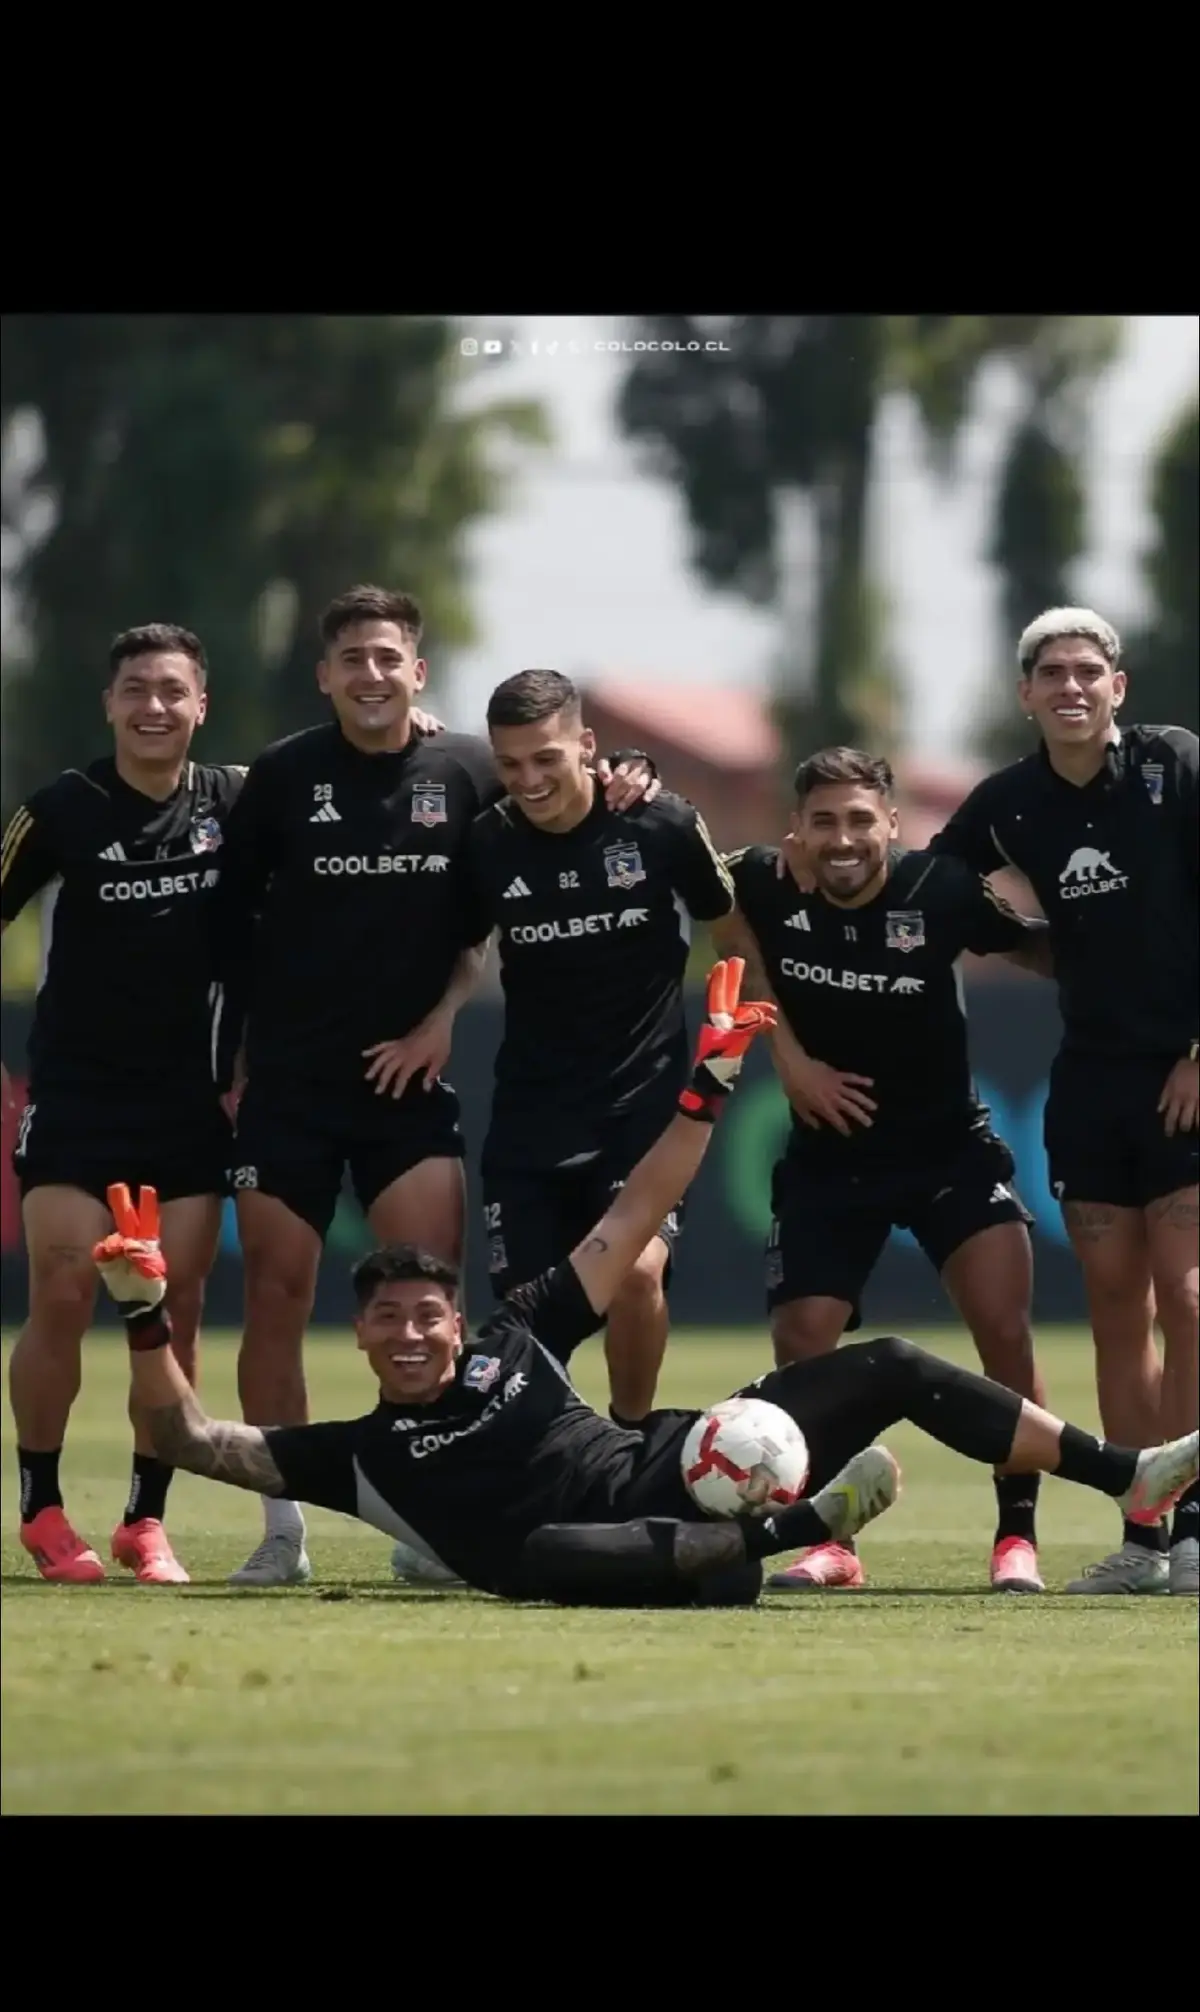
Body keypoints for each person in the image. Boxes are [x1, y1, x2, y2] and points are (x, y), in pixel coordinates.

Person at [90, 962, 1199, 1606]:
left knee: (893, 1364)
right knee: (540, 1561)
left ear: (456, 1316)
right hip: (613, 1552)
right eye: (391, 1321)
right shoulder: (354, 1455)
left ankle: (1128, 1475)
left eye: (429, 1313)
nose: (415, 1334)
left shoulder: (515, 1338)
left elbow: (632, 1212)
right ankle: (799, 1529)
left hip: (684, 1456)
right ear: (366, 1341)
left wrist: (708, 1085)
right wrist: (146, 1315)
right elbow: (189, 1436)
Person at [208, 586, 656, 1588]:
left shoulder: (467, 769)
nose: (371, 673)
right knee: (275, 1296)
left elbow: (552, 820)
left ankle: (439, 1523)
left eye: (389, 657)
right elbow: (230, 932)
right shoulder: (281, 777)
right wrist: (234, 1055)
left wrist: (440, 1021)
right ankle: (281, 1533)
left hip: (409, 1089)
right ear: (325, 675)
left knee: (429, 1304)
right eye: (352, 658)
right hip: (288, 1085)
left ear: (419, 670)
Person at [713, 746, 1056, 1594]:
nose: (842, 839)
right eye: (822, 821)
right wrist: (785, 1055)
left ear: (891, 826)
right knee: (802, 1342)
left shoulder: (937, 890)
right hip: (833, 1160)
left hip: (947, 1148)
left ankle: (1018, 1537)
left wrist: (1140, 946)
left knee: (1003, 1325)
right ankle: (833, 1537)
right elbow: (718, 914)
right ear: (797, 829)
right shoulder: (759, 879)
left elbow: (1041, 951)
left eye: (860, 820)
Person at [930, 608, 1198, 1596]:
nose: (1073, 686)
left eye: (1091, 670)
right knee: (1117, 1315)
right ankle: (1147, 1534)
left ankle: (1199, 1519)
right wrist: (1032, 941)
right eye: (1054, 673)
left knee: (1193, 1297)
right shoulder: (1008, 802)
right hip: (1090, 1078)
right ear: (1027, 693)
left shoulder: (1176, 766)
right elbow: (937, 886)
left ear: (1118, 687)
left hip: (1188, 1072)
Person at [0, 622, 243, 1585]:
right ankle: (42, 1507)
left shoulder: (235, 800)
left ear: (200, 706)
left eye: (171, 690)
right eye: (135, 688)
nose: (153, 706)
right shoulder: (63, 809)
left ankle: (148, 1521)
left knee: (170, 1313)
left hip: (186, 1104)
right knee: (62, 1291)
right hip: (74, 1098)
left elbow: (343, 794)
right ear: (109, 705)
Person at [456, 666, 734, 1431]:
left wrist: (735, 1020)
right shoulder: (486, 843)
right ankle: (535, 1472)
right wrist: (431, 1022)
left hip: (639, 1119)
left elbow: (732, 925)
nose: (530, 779)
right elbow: (461, 946)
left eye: (546, 758)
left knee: (639, 1275)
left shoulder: (660, 826)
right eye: (510, 765)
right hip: (529, 1120)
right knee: (529, 1321)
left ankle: (631, 1440)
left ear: (586, 745)